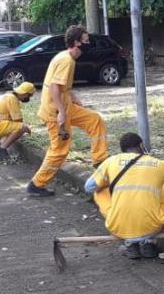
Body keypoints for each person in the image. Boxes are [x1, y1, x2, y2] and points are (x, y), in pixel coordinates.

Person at [84, 133, 164, 259]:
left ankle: (130, 243)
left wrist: (107, 183)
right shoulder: (161, 165)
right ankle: (148, 242)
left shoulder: (110, 162)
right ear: (141, 146)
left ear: (122, 149)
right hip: (152, 226)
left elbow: (89, 187)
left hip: (117, 226)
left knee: (99, 190)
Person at [27, 26, 109, 197]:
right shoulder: (66, 60)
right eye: (86, 41)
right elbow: (55, 88)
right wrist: (62, 113)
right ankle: (36, 184)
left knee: (94, 120)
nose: (88, 43)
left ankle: (99, 159)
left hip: (65, 106)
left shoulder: (66, 58)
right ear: (76, 42)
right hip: (56, 112)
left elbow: (62, 86)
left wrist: (74, 98)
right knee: (60, 150)